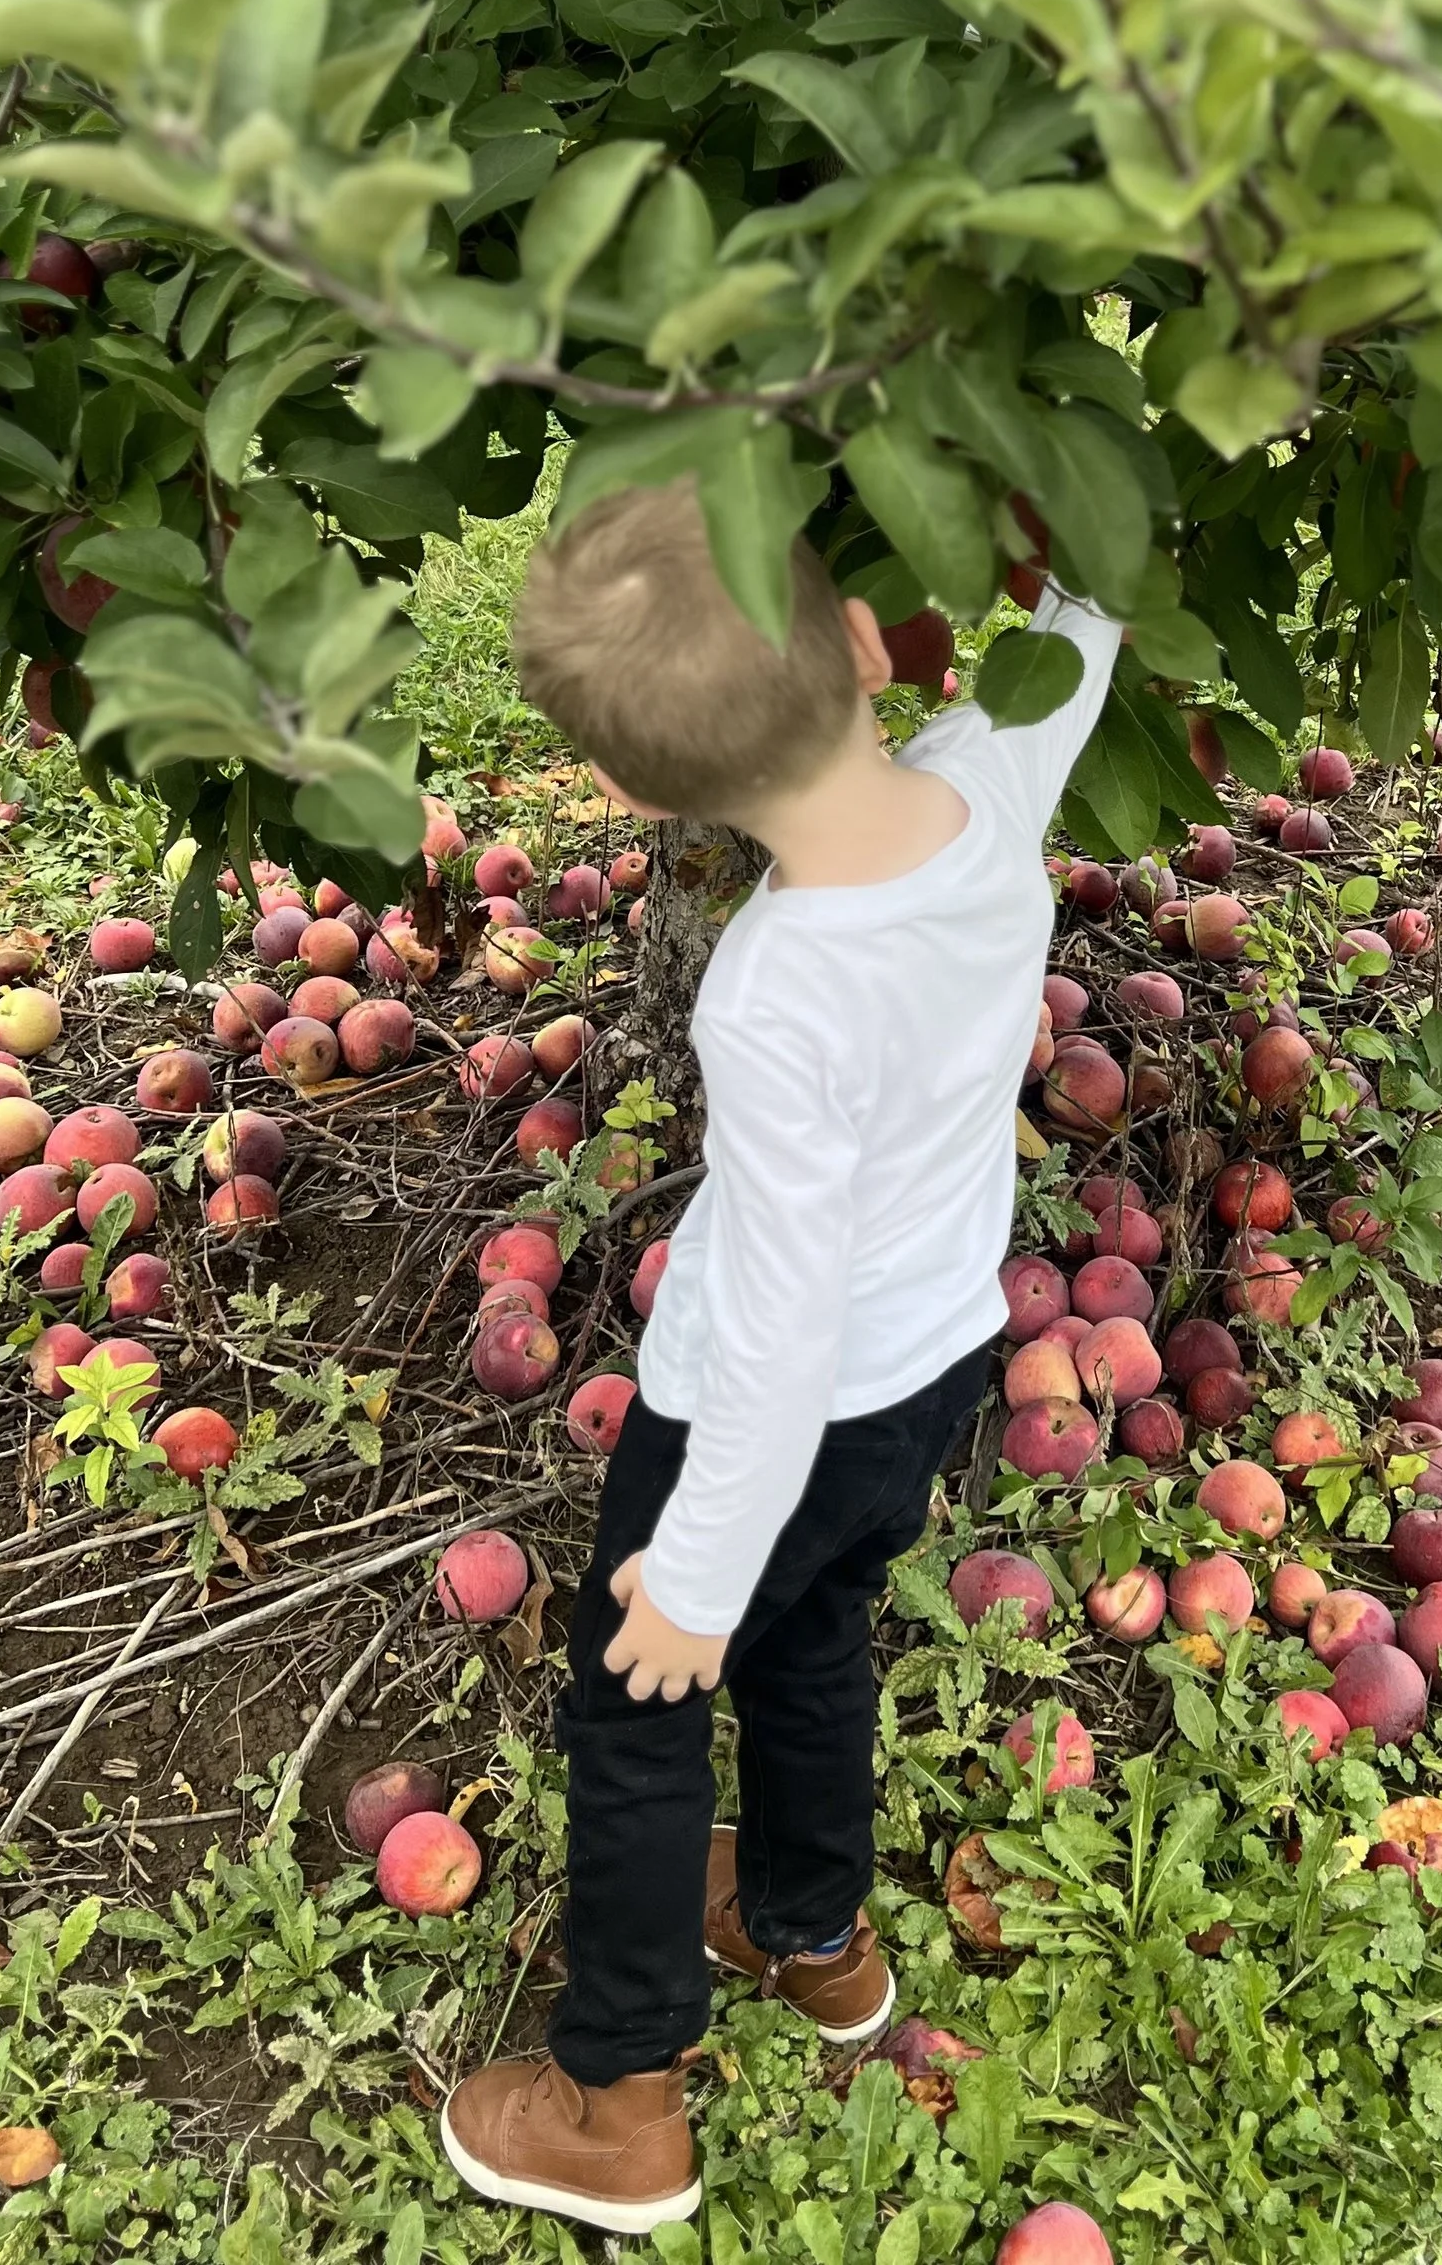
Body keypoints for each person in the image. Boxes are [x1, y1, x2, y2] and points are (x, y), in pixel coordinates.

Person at [438, 475, 1121, 2233]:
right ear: (867, 638)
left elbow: (783, 1313)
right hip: (936, 1372)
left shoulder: (772, 988)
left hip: (769, 1415)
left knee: (640, 1708)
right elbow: (1082, 645)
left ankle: (619, 2098)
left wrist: (693, 1573)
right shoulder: (988, 787)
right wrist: (1074, 551)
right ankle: (815, 1936)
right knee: (815, 1644)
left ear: (635, 794)